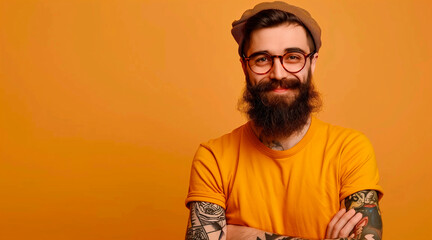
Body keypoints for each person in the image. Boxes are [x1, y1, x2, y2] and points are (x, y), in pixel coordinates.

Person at [185, 1, 383, 240]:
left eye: (292, 57)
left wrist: (239, 235)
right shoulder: (213, 157)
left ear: (312, 62)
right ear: (244, 67)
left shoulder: (349, 149)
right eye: (261, 59)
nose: (278, 73)